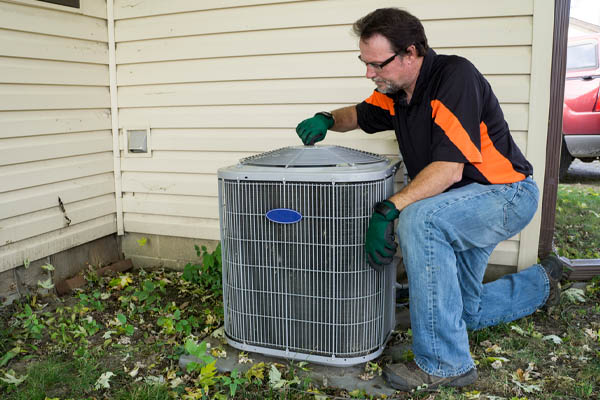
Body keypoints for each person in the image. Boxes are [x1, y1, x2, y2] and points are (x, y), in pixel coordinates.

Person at [295, 8, 562, 391]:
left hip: (504, 195)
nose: (369, 73)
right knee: (466, 310)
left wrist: (388, 209)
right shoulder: (398, 92)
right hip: (460, 203)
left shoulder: (454, 78)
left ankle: (445, 363)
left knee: (420, 219)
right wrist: (325, 118)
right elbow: (358, 114)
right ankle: (542, 284)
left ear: (410, 53)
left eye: (376, 64)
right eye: (364, 63)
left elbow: (449, 170)